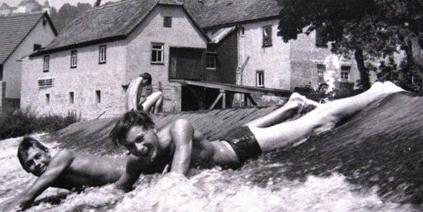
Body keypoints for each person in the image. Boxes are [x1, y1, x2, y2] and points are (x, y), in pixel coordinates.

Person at [110, 81, 405, 191]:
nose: (139, 148)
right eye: (131, 147)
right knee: (290, 116)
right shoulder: (137, 160)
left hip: (243, 147)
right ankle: (293, 103)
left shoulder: (179, 128)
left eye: (141, 139)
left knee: (318, 123)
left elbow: (177, 178)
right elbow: (116, 189)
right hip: (231, 138)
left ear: (151, 127)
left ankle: (376, 91)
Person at [0, 136, 126, 212]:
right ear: (26, 169)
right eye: (30, 163)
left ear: (47, 152)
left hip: (129, 169)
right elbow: (24, 194)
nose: (37, 163)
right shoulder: (51, 176)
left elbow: (28, 196)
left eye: (38, 156)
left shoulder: (63, 157)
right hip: (126, 177)